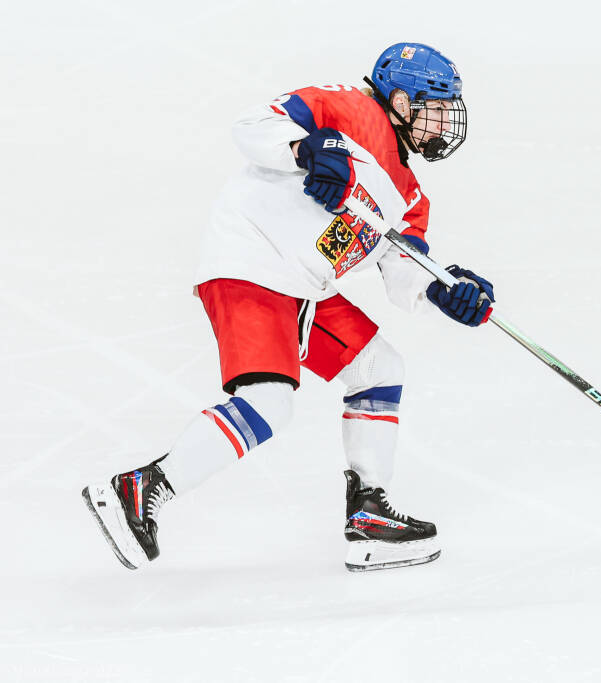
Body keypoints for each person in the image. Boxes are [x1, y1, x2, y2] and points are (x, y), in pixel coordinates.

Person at [81, 42, 494, 573]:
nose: (442, 123)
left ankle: (370, 515)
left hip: (302, 288)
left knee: (379, 368)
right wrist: (307, 149)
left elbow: (404, 268)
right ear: (398, 99)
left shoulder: (409, 194)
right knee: (269, 401)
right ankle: (141, 490)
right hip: (252, 263)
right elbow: (253, 125)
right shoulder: (345, 106)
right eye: (435, 108)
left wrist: (447, 289)